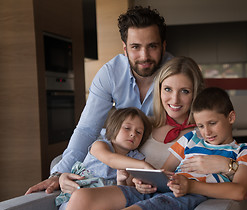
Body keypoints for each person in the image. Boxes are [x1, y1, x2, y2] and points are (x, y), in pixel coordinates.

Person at [59, 86, 247, 210]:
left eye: (212, 124)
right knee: (80, 198)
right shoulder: (191, 138)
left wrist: (199, 180)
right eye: (200, 125)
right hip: (164, 188)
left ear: (231, 118)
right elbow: (166, 171)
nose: (206, 132)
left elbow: (239, 191)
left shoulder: (242, 151)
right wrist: (146, 180)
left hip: (186, 196)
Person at [25, 6, 172, 195]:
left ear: (163, 46)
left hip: (157, 159)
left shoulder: (175, 73)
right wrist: (59, 172)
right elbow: (87, 129)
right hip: (116, 158)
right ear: (125, 49)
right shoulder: (110, 74)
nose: (144, 56)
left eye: (152, 46)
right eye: (136, 47)